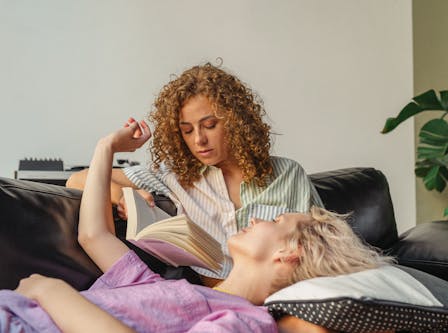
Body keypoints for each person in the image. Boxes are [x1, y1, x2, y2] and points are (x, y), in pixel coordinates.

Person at [0, 120, 392, 333]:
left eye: (274, 219)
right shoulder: (167, 286)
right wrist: (107, 147)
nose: (254, 216)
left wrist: (50, 290)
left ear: (289, 253)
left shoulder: (245, 322)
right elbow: (94, 236)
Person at [66, 62, 324, 285]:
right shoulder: (178, 175)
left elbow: (325, 250)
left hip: (281, 297)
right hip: (212, 300)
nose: (199, 139)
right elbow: (78, 180)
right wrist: (123, 195)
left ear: (236, 121)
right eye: (187, 130)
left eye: (209, 125)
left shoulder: (288, 175)